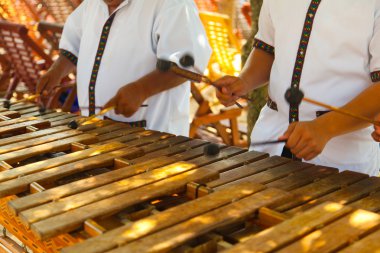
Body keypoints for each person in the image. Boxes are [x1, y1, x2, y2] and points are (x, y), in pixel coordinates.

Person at [215, 0, 380, 176]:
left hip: (341, 159)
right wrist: (244, 81)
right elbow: (268, 47)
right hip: (270, 142)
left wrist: (325, 128)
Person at [37, 0, 211, 136]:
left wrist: (141, 89)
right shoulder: (93, 3)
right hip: (96, 131)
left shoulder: (172, 4)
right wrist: (57, 70)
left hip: (152, 138)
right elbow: (75, 40)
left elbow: (188, 63)